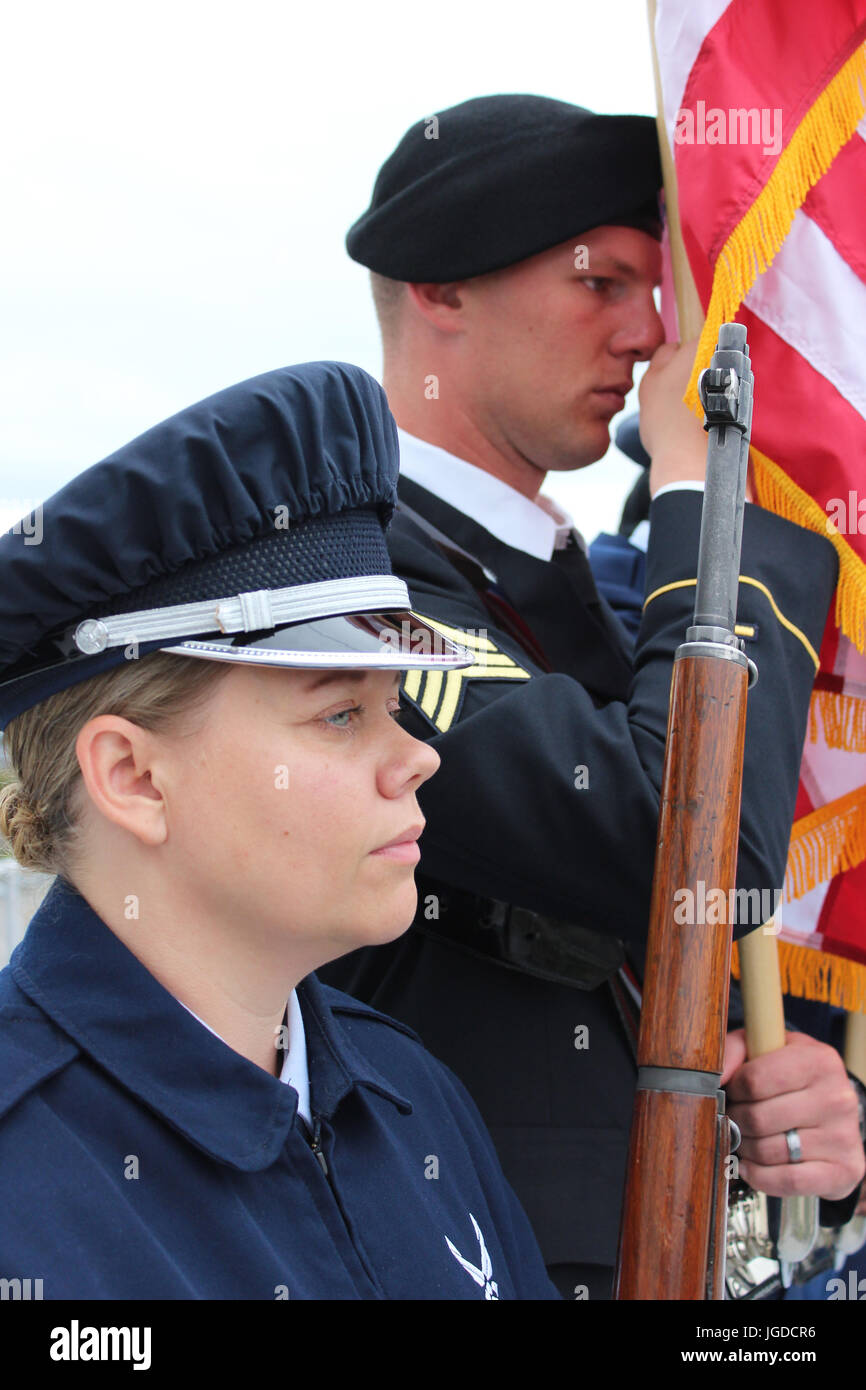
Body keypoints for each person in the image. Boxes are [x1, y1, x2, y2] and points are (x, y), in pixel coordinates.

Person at [320, 95, 866, 1299]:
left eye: (650, 285)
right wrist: (702, 491)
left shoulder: (561, 587)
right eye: (601, 282)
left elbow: (681, 947)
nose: (651, 333)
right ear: (439, 290)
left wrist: (798, 1102)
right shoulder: (350, 578)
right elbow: (670, 847)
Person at [0, 360, 560, 1300]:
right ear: (133, 777)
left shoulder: (409, 1094)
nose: (418, 757)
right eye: (341, 715)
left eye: (398, 707)